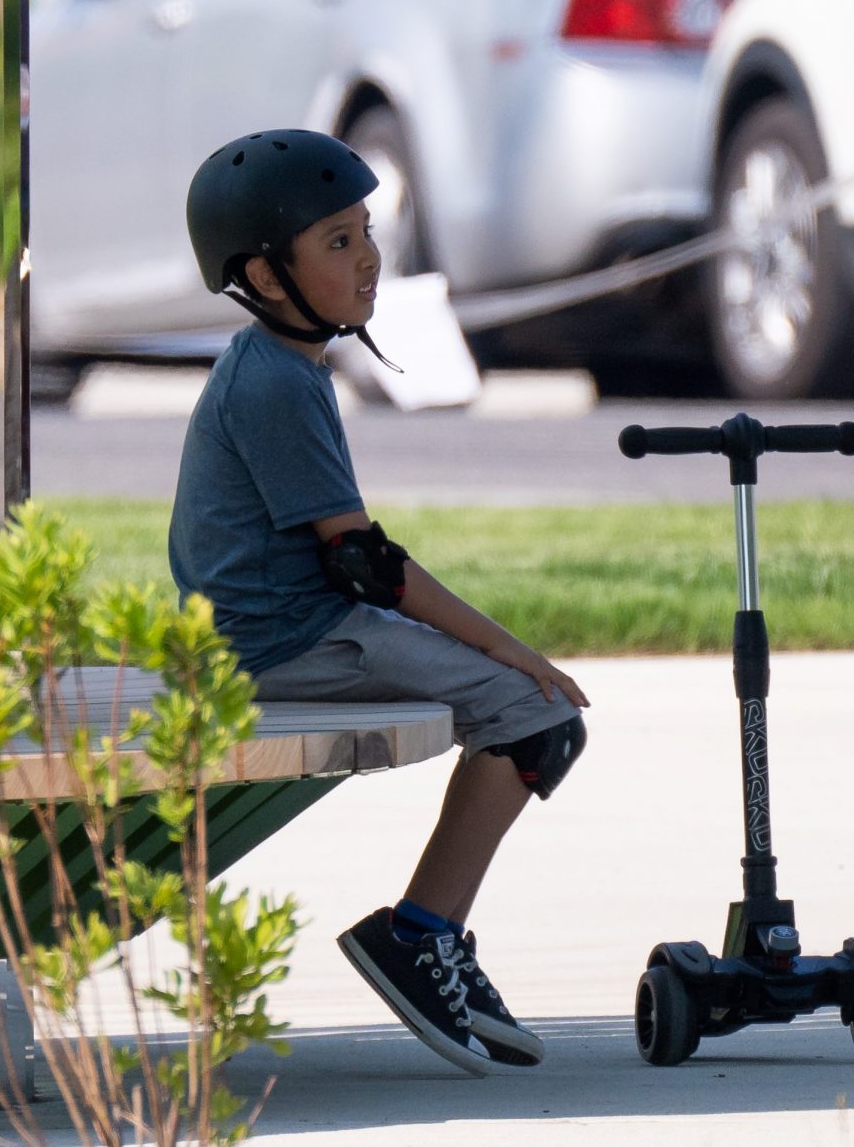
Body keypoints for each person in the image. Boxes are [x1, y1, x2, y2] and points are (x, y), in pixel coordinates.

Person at [169, 129, 591, 1075]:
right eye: (336, 241)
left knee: (531, 713)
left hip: (285, 628)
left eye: (365, 231)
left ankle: (430, 932)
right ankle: (420, 933)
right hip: (285, 645)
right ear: (266, 276)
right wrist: (515, 650)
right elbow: (368, 567)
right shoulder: (275, 383)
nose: (368, 257)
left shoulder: (275, 364)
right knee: (539, 716)